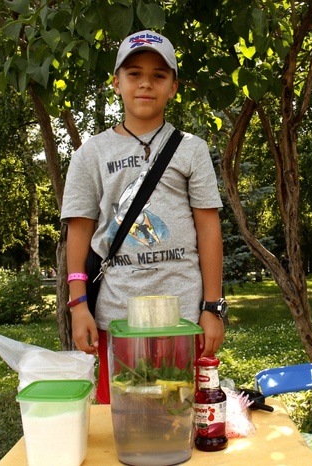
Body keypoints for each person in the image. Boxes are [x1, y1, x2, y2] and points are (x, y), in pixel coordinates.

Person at [60, 30, 225, 404]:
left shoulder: (191, 150)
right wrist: (77, 304)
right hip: (117, 316)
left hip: (184, 316)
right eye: (134, 74)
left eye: (159, 75)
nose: (146, 84)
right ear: (116, 83)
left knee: (182, 417)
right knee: (124, 418)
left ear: (173, 87)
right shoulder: (91, 153)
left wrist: (212, 307)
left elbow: (208, 228)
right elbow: (80, 229)